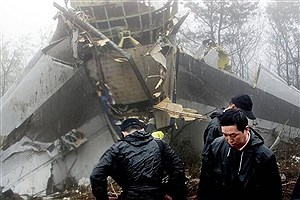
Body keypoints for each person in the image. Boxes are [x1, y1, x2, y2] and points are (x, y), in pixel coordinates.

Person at [90, 118, 187, 200]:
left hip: (130, 196)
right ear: (143, 129)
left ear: (123, 133)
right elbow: (178, 168)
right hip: (156, 195)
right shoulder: (159, 144)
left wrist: (103, 198)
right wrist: (170, 193)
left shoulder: (116, 149)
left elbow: (96, 176)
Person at [197, 109, 282, 200]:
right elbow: (206, 180)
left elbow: (272, 193)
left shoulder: (263, 156)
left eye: (234, 135)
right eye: (225, 135)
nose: (229, 140)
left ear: (246, 130)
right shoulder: (217, 145)